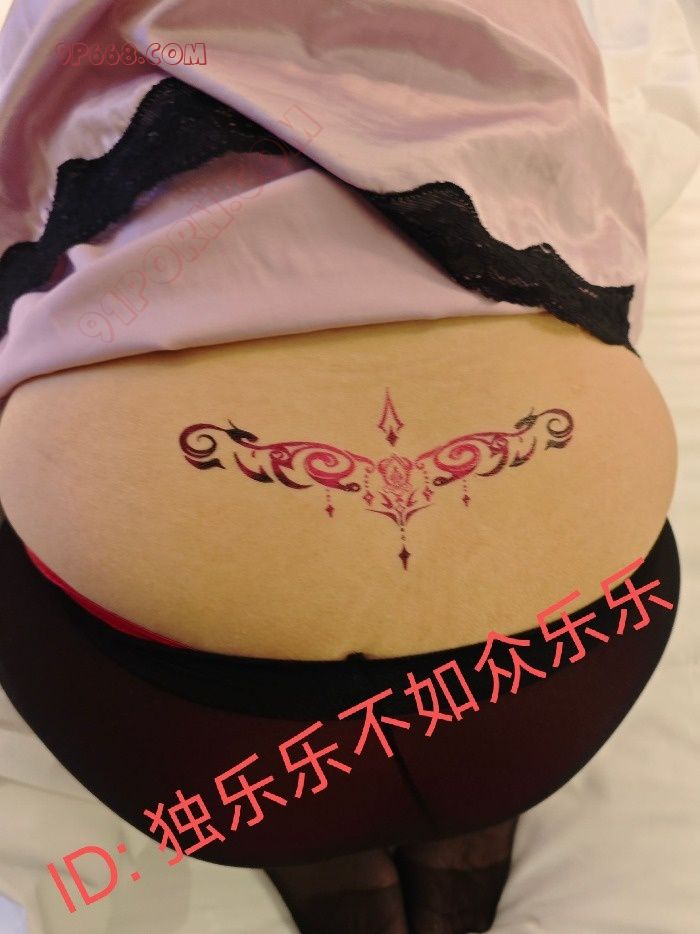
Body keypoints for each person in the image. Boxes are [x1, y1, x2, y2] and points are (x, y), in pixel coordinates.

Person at [0, 1, 681, 932]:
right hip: (550, 693)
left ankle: (328, 850)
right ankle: (460, 816)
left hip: (198, 754)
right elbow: (593, 235)